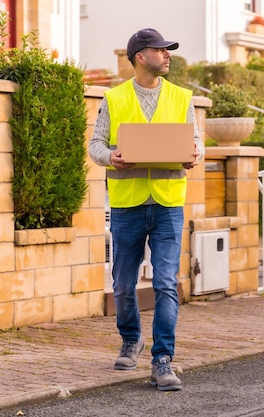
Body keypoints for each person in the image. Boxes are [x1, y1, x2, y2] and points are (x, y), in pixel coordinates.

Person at [88, 28, 204, 391]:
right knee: (123, 285)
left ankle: (162, 360)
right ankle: (131, 339)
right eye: (161, 50)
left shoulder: (181, 97)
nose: (168, 55)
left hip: (168, 203)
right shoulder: (115, 97)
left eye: (168, 50)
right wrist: (112, 157)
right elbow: (95, 145)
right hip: (128, 205)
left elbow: (195, 140)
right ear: (140, 55)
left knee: (167, 283)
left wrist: (194, 155)